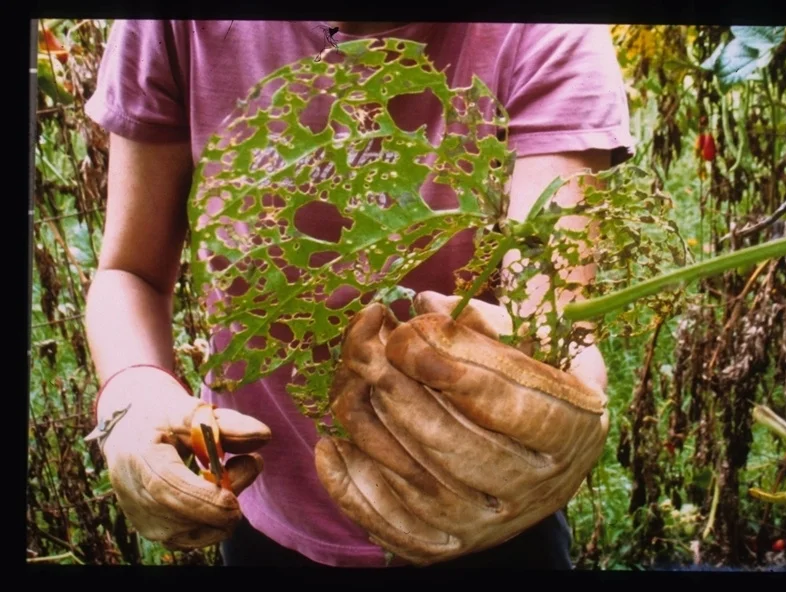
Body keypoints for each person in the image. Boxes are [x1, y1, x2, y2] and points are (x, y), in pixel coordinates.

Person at [83, 19, 635, 568]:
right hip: (263, 508)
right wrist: (132, 400)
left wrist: (563, 397)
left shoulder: (545, 31)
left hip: (487, 514)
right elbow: (132, 272)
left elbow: (550, 311)